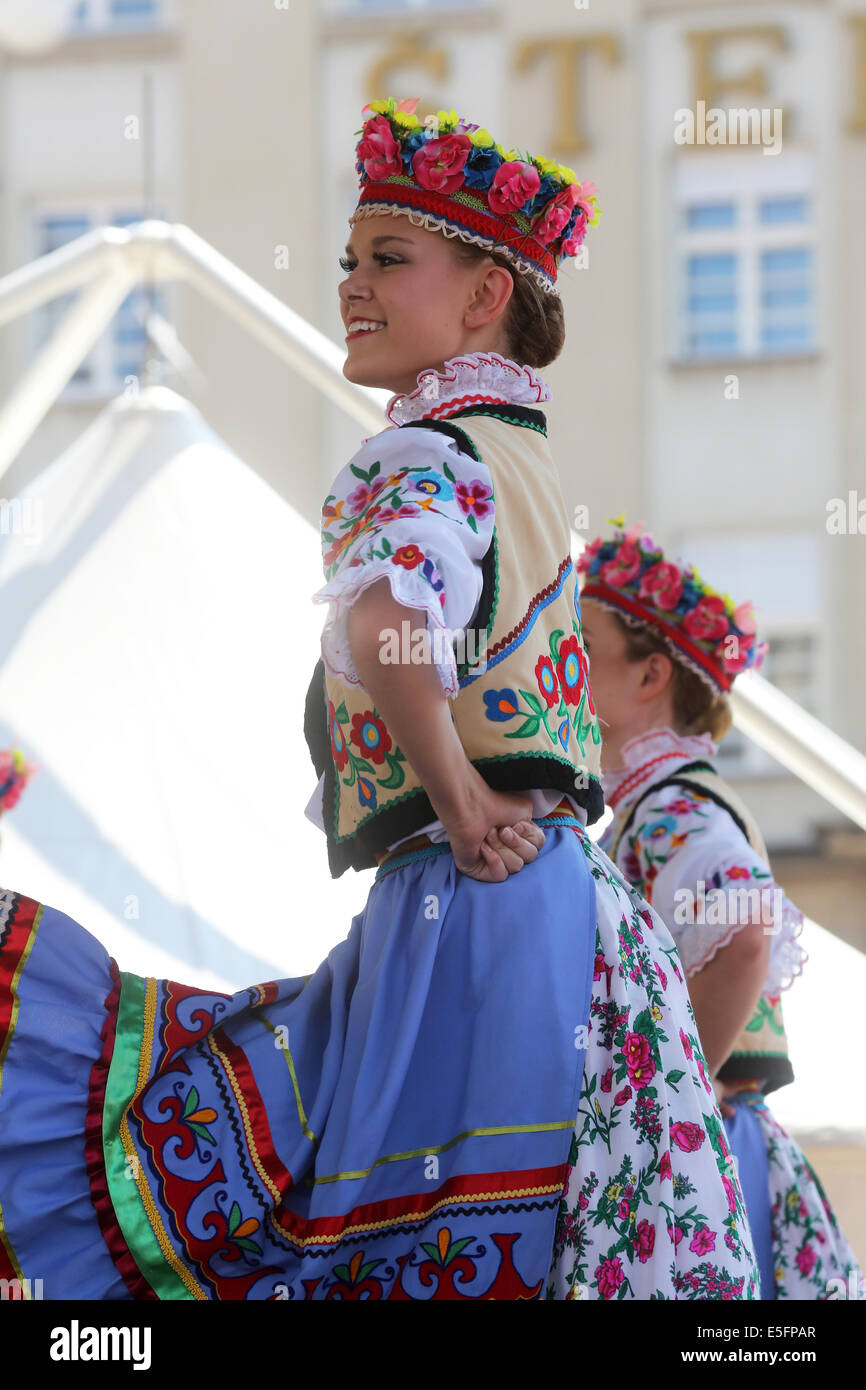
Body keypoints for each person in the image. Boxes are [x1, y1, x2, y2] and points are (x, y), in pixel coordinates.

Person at [0, 100, 757, 1301]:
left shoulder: (417, 452)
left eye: (386, 259)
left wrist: (455, 801)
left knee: (335, 1212)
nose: (349, 284)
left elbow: (385, 623)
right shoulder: (515, 452)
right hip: (560, 906)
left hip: (469, 897)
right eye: (348, 260)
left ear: (482, 295)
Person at [576, 519, 862, 1299]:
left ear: (649, 677)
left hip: (704, 1158)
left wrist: (666, 1109)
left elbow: (742, 928)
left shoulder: (670, 807)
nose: (561, 660)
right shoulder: (649, 806)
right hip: (720, 1149)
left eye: (584, 643)